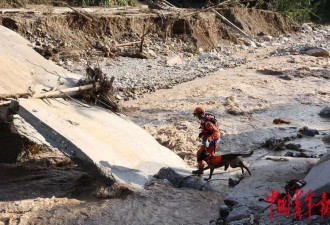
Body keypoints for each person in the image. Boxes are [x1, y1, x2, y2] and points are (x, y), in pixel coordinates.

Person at [192, 106, 221, 175]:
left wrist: (210, 138)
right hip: (208, 141)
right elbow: (207, 130)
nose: (196, 117)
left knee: (210, 158)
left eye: (196, 115)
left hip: (212, 142)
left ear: (199, 114)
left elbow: (217, 133)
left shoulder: (207, 123)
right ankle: (201, 170)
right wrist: (202, 133)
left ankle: (215, 168)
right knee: (200, 154)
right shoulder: (203, 120)